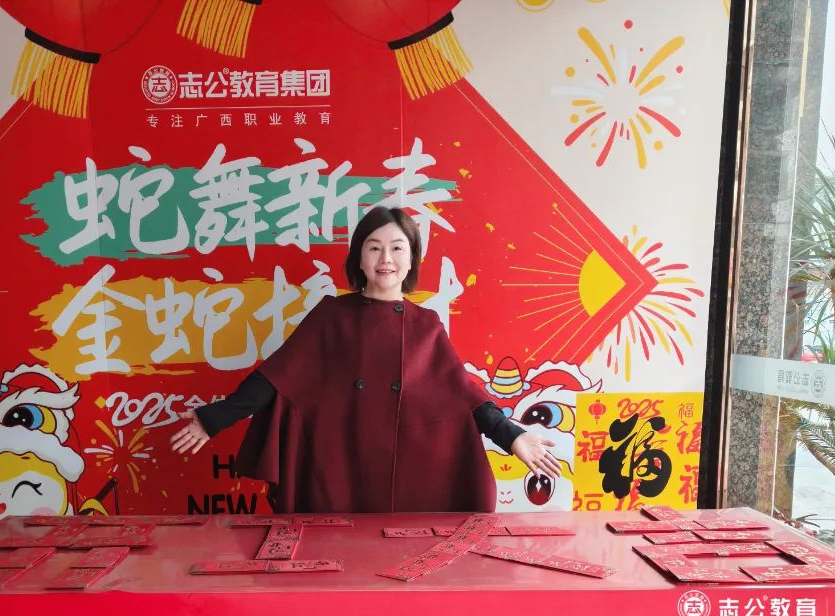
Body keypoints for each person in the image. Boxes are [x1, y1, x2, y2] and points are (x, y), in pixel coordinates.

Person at [170, 206, 561, 513]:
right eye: (374, 247)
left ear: (412, 259)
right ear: (359, 257)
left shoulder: (426, 324)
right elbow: (276, 378)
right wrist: (214, 418)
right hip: (336, 475)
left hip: (407, 480)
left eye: (397, 248)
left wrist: (511, 435)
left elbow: (463, 395)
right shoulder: (330, 316)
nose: (385, 258)